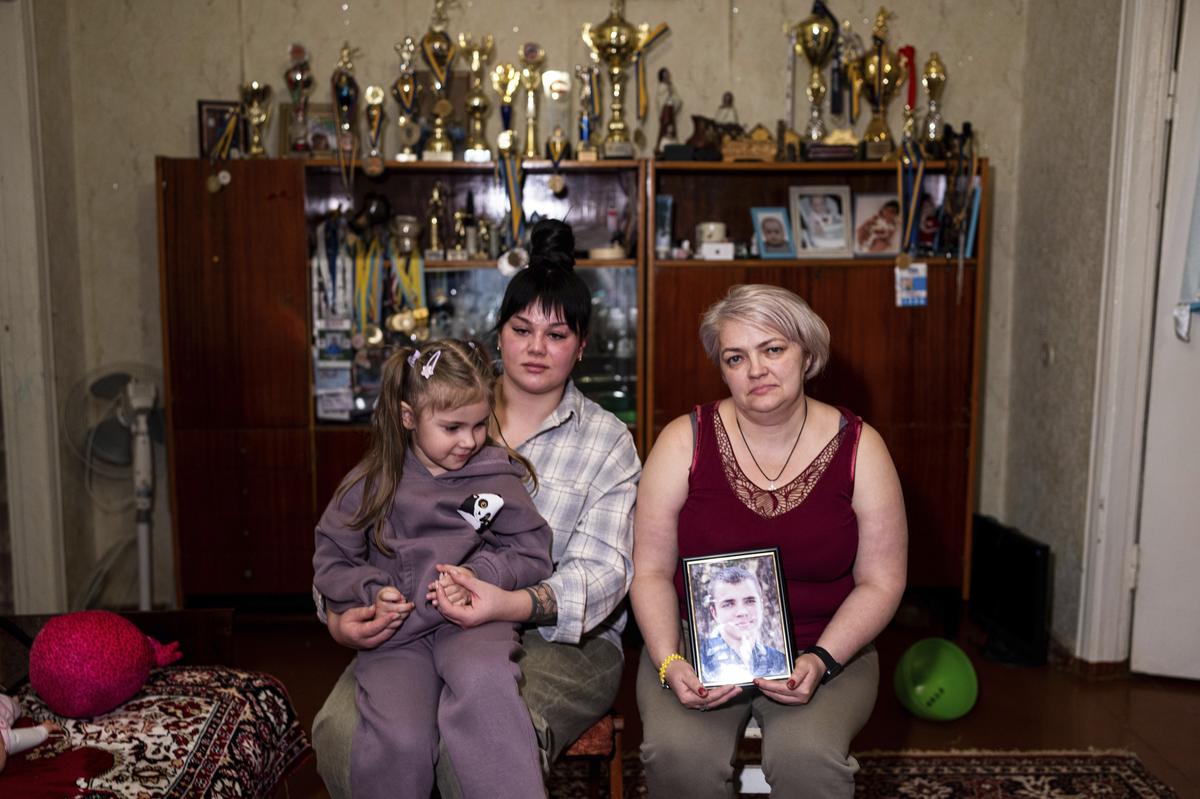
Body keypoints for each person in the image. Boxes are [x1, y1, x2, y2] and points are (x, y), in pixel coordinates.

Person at [312, 218, 641, 799]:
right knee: (344, 736)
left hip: (560, 639)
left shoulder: (607, 440)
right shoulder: (447, 403)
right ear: (499, 333)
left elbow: (604, 576)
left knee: (470, 751)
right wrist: (340, 615)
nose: (537, 348)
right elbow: (352, 538)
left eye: (558, 335)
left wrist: (503, 599)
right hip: (411, 624)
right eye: (522, 329)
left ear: (583, 345)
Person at [630, 284, 907, 798]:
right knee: (677, 756)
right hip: (694, 645)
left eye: (773, 349)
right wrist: (670, 661)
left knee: (809, 760)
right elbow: (647, 570)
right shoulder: (681, 441)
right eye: (736, 357)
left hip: (826, 645)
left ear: (807, 354)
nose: (755, 369)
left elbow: (882, 581)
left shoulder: (862, 449)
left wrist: (822, 659)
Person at [312, 338, 554, 799]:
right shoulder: (370, 483)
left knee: (488, 693)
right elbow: (331, 558)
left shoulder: (494, 478)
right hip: (397, 636)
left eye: (480, 424)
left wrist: (479, 575)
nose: (468, 441)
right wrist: (369, 592)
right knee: (397, 739)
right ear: (408, 417)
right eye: (451, 427)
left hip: (471, 624)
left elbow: (532, 547)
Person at [697, 565, 788, 685]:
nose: (742, 612)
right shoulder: (699, 661)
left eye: (750, 601)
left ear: (761, 605)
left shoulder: (780, 661)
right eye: (729, 604)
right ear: (714, 613)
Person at [1, 696, 60, 772]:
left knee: (13, 707)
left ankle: (15, 701)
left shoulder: (7, 739)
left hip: (6, 704)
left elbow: (30, 736)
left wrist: (45, 729)